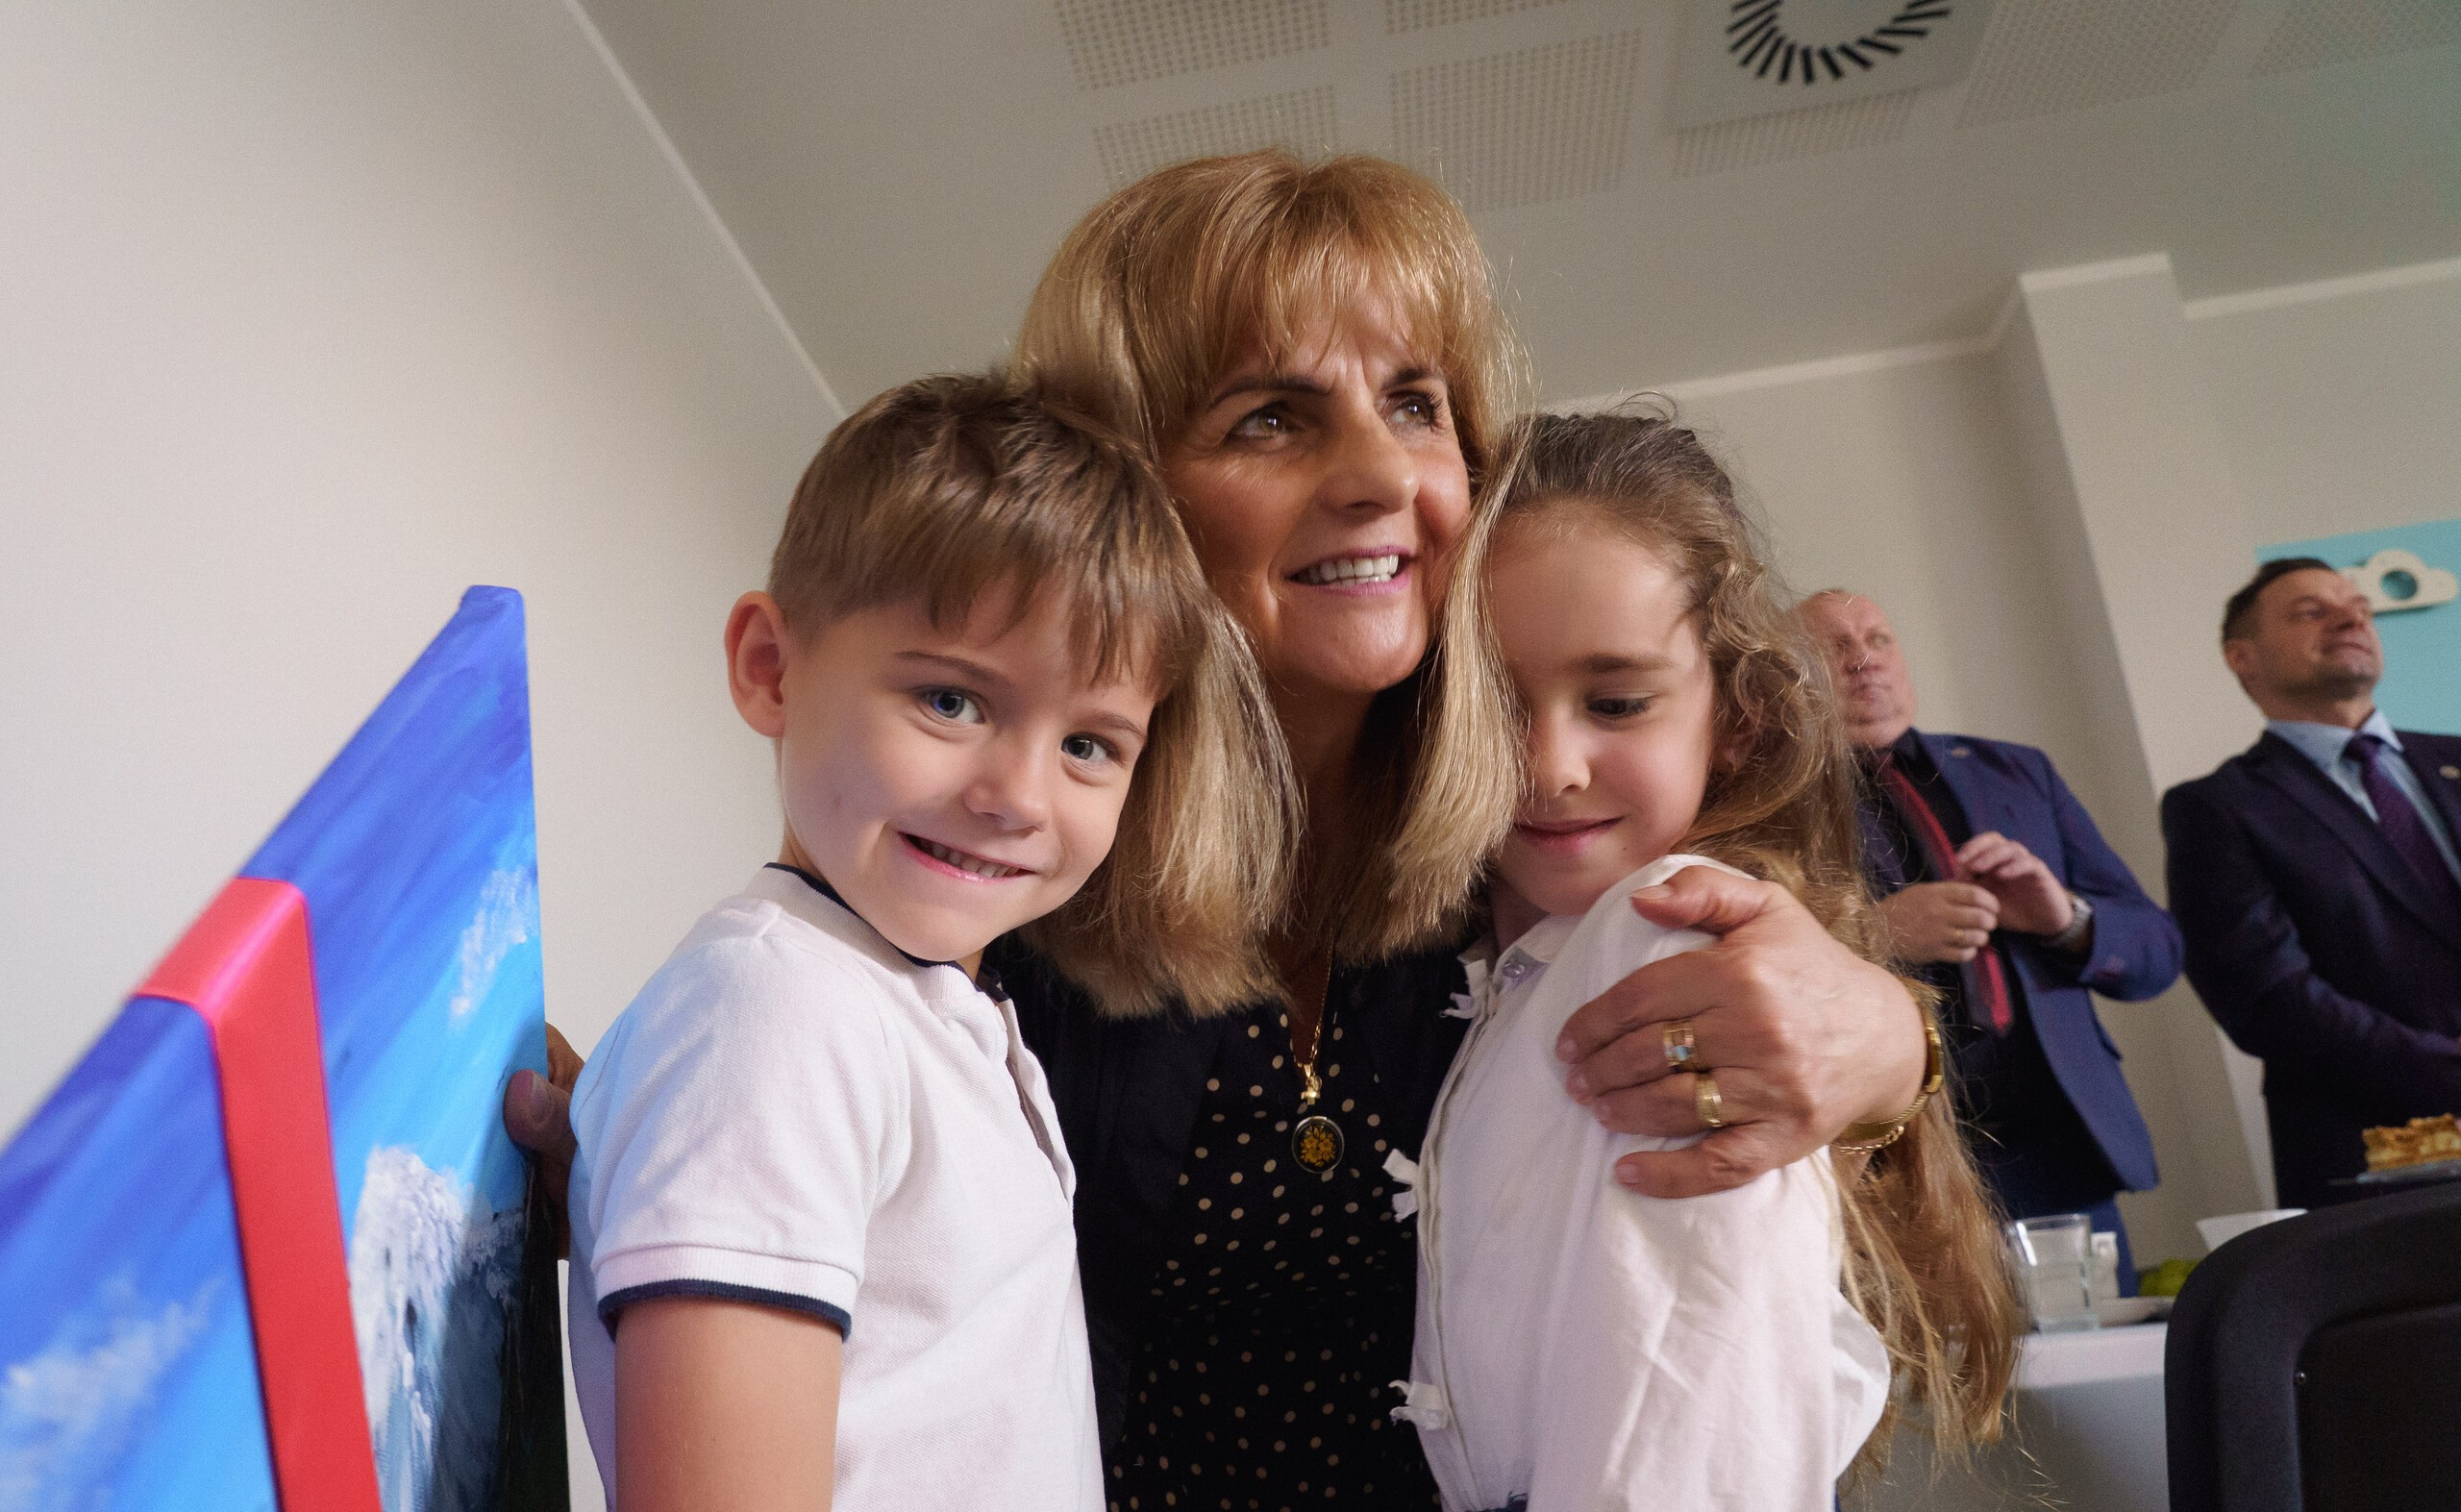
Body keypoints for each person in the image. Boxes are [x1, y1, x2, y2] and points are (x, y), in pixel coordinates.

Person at [510, 153, 1937, 1508]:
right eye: (1272, 416)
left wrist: (1889, 1043)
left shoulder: (1541, 836)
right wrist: (652, 1164)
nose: (1380, 475)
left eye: (1417, 403)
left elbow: (1755, 1245)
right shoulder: (999, 875)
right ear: (1126, 489)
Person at [562, 374, 1289, 1510]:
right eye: (952, 701)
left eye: (1090, 745)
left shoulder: (921, 1009)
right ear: (770, 668)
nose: (1018, 797)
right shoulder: (781, 1010)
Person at [1390, 412, 2015, 1511]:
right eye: (1490, 703)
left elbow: (1678, 1428)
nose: (1550, 764)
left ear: (1736, 718)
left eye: (1617, 701)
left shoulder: (1671, 946)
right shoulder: (1506, 954)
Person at [1800, 589, 2181, 1282]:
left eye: (1879, 639)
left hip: (2059, 1150)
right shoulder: (1769, 801)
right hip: (1891, 1161)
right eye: (1835, 646)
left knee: (2099, 1348)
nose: (1863, 660)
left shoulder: (2017, 771)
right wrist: (1871, 936)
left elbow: (2156, 952)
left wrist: (2063, 918)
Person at [2162, 557, 2461, 1208]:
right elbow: (2271, 999)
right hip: (2381, 1164)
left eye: (2359, 608)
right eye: (2311, 611)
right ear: (2243, 657)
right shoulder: (2218, 808)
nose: (2350, 620)